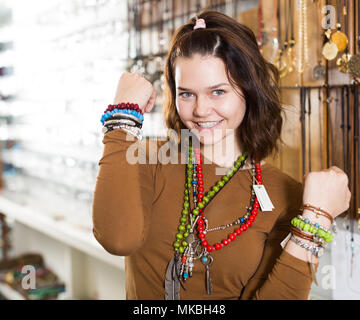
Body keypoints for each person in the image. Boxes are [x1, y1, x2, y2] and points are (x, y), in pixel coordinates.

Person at [92, 10, 351, 300]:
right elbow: (117, 239)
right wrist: (122, 119)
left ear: (248, 90)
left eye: (218, 92)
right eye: (187, 94)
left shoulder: (283, 193)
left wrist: (316, 222)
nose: (201, 110)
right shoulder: (146, 158)